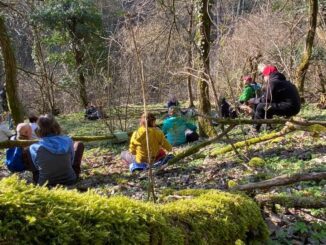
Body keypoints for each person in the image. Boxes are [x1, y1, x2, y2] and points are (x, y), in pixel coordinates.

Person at [29, 114, 84, 186]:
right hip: (70, 180)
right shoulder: (68, 140)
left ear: (38, 129)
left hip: (45, 184)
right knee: (79, 144)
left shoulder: (34, 147)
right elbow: (71, 160)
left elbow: (37, 166)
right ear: (56, 126)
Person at [249, 65, 301, 131]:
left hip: (290, 108)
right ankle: (268, 126)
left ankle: (254, 129)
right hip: (294, 107)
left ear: (267, 75)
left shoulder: (273, 82)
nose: (263, 78)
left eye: (263, 76)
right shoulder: (282, 81)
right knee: (267, 106)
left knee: (261, 106)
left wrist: (254, 100)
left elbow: (266, 99)